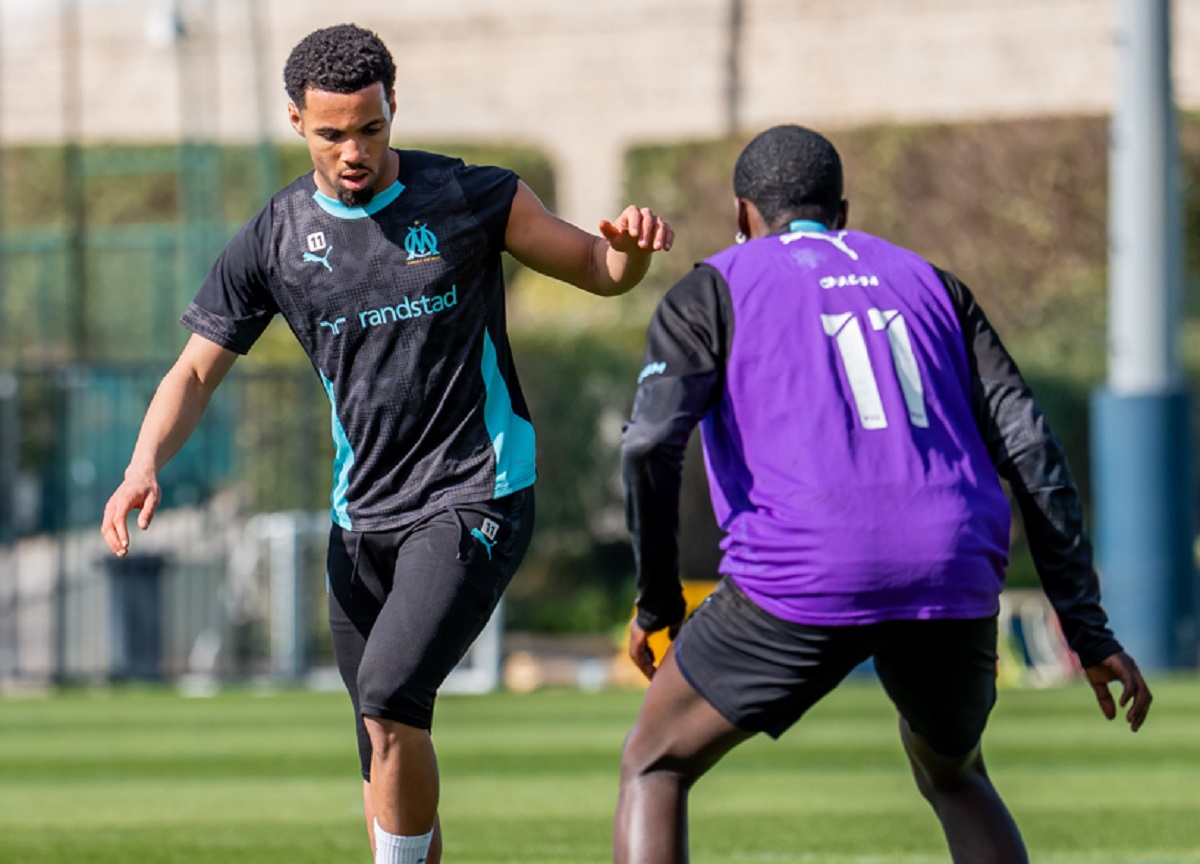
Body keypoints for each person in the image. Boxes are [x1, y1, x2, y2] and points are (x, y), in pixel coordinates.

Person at [99, 23, 673, 864]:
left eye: (371, 127)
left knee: (391, 697)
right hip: (362, 522)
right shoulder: (274, 239)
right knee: (382, 745)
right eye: (333, 133)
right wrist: (142, 463)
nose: (355, 149)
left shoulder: (471, 198)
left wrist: (627, 260)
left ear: (392, 108)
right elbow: (192, 373)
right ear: (296, 122)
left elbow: (595, 267)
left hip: (476, 494)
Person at [614, 124, 1151, 864]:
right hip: (953, 565)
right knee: (956, 775)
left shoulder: (714, 284)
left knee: (655, 762)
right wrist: (1087, 629)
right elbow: (1032, 448)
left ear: (743, 215)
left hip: (803, 569)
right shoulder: (933, 281)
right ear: (842, 209)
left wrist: (658, 603)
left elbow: (647, 443)